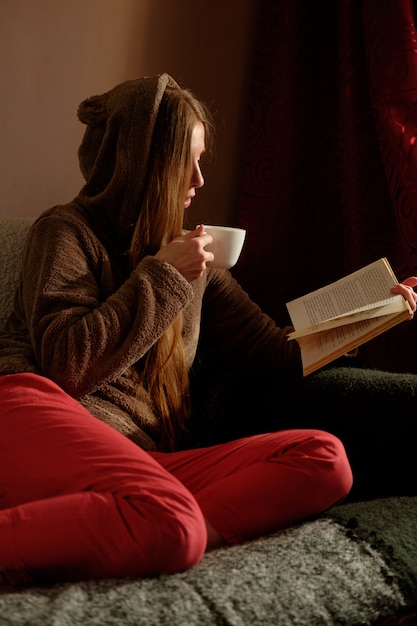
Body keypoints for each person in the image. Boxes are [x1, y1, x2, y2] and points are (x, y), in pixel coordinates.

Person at [0, 73, 413, 587]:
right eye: (186, 162)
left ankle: (160, 527)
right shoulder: (66, 230)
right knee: (172, 519)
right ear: (141, 165)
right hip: (28, 408)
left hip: (139, 459)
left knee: (326, 459)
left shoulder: (196, 263)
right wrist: (164, 274)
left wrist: (374, 314)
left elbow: (273, 350)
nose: (198, 180)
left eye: (201, 162)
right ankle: (165, 525)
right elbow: (67, 364)